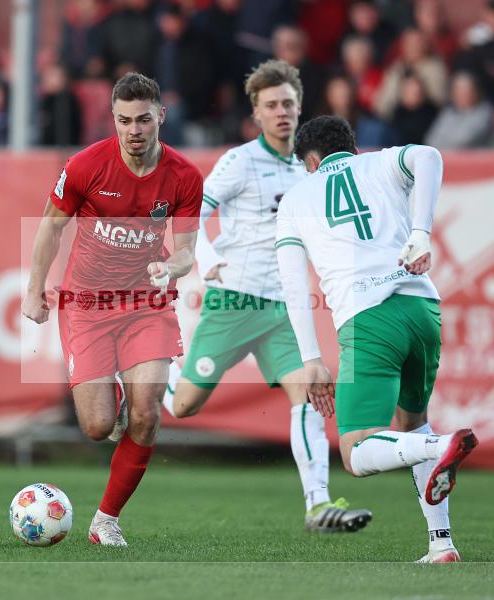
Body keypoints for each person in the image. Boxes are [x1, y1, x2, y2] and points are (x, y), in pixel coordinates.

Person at [159, 59, 372, 534]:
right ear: (256, 112)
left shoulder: (310, 167)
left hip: (283, 308)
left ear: (300, 107)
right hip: (234, 299)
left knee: (310, 394)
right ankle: (145, 374)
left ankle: (318, 506)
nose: (282, 113)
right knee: (184, 406)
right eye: (272, 105)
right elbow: (192, 214)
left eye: (289, 104)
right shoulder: (239, 161)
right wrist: (206, 258)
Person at [275, 115, 479, 563]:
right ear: (351, 146)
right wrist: (421, 233)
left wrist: (311, 358)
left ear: (309, 162)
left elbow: (292, 284)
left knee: (357, 450)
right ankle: (441, 543)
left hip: (368, 318)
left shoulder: (295, 198)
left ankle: (440, 446)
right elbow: (428, 155)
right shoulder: (379, 165)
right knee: (412, 422)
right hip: (422, 307)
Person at [21, 72, 202, 546]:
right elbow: (50, 227)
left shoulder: (184, 176)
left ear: (160, 116)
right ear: (114, 120)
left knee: (148, 414)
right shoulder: (85, 166)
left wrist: (174, 269)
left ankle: (105, 521)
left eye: (143, 119)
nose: (134, 130)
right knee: (99, 426)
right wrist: (33, 289)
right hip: (87, 305)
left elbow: (185, 250)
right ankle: (112, 401)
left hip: (146, 302)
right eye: (124, 121)